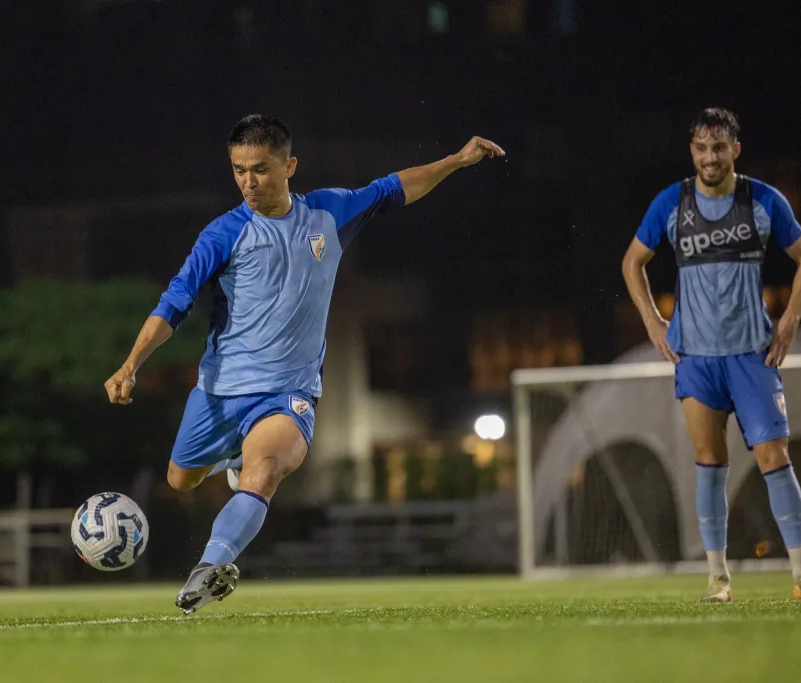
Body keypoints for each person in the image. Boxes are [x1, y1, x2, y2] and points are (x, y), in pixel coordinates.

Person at [104, 114, 504, 613]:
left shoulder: (327, 215)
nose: (249, 182)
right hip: (220, 390)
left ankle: (210, 568)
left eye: (261, 169)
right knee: (181, 479)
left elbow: (395, 187)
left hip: (287, 392)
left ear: (290, 166)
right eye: (238, 170)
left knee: (267, 468)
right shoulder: (223, 234)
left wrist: (458, 160)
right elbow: (174, 301)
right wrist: (131, 364)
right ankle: (233, 461)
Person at [622, 107, 801, 602]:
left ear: (735, 150)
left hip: (752, 355)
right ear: (692, 151)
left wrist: (789, 323)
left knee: (775, 456)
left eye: (720, 148)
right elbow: (632, 262)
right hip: (697, 359)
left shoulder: (763, 200)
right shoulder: (671, 203)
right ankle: (718, 580)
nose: (711, 158)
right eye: (702, 149)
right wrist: (652, 321)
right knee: (709, 461)